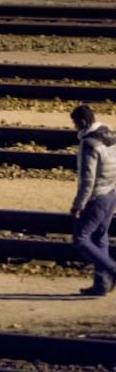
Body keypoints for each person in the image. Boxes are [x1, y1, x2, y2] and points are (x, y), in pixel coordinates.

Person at [69, 104, 116, 296]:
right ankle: (101, 285)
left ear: (81, 122)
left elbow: (87, 179)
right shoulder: (110, 136)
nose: (74, 128)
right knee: (99, 238)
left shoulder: (89, 143)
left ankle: (112, 270)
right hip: (112, 193)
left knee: (80, 239)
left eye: (74, 124)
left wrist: (78, 205)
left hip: (97, 196)